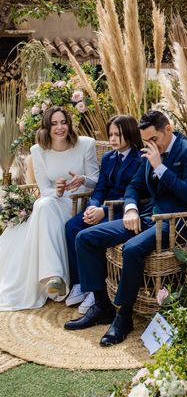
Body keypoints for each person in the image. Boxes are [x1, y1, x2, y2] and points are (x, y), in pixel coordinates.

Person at [64, 110, 187, 346]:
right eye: (145, 141)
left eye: (154, 139)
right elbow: (134, 186)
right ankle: (102, 305)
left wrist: (160, 167)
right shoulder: (149, 151)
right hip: (146, 216)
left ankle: (123, 316)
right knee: (84, 237)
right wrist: (130, 208)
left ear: (167, 130)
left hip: (175, 222)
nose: (149, 145)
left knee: (132, 249)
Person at [0, 106, 99, 310]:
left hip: (78, 202)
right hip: (55, 200)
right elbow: (45, 189)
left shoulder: (86, 144)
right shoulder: (38, 150)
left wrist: (83, 180)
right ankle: (53, 276)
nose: (60, 127)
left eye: (63, 122)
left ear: (69, 124)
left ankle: (57, 276)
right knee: (43, 205)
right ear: (47, 127)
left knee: (42, 207)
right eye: (54, 123)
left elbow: (96, 181)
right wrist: (59, 191)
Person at [64, 115, 143, 314]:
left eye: (118, 134)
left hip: (121, 212)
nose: (113, 139)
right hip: (101, 208)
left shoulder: (140, 158)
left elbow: (137, 195)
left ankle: (94, 290)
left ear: (130, 133)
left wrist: (104, 211)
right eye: (111, 134)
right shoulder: (108, 158)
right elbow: (100, 188)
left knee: (92, 234)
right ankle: (80, 283)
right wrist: (93, 206)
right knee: (71, 227)